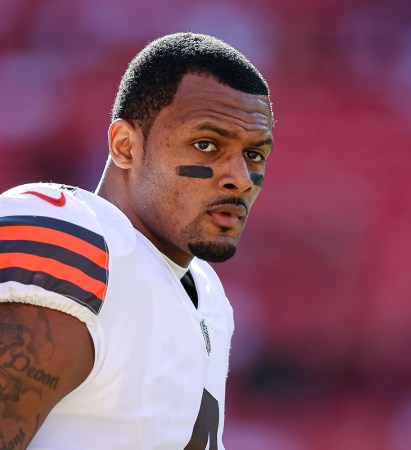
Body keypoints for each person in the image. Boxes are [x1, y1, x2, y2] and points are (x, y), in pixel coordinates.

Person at [0, 32, 274, 449]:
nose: (239, 177)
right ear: (125, 146)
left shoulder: (207, 296)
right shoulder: (71, 237)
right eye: (206, 145)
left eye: (254, 154)